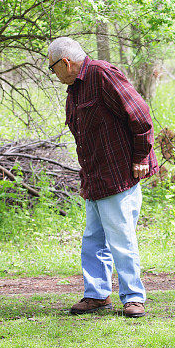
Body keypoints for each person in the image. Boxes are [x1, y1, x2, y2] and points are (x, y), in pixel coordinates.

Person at [47, 37, 158, 318]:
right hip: (95, 176)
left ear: (65, 63)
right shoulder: (76, 88)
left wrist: (141, 157)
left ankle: (133, 297)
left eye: (52, 69)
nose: (54, 75)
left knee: (121, 238)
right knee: (93, 240)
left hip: (118, 172)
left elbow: (141, 115)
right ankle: (97, 295)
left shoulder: (101, 74)